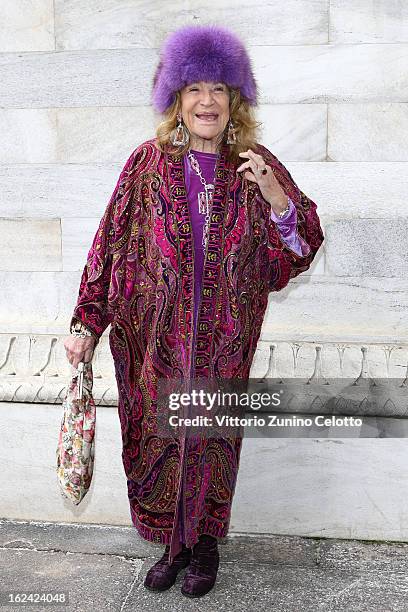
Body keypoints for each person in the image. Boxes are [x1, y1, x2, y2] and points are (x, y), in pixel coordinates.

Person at [64, 24, 324, 599]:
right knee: (160, 439)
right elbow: (109, 245)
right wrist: (87, 320)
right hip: (156, 345)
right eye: (194, 89)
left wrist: (275, 195)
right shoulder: (145, 166)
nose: (207, 101)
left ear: (235, 100)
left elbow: (302, 243)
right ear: (176, 100)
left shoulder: (255, 166)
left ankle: (204, 545)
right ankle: (171, 544)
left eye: (219, 90)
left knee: (209, 442)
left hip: (223, 345)